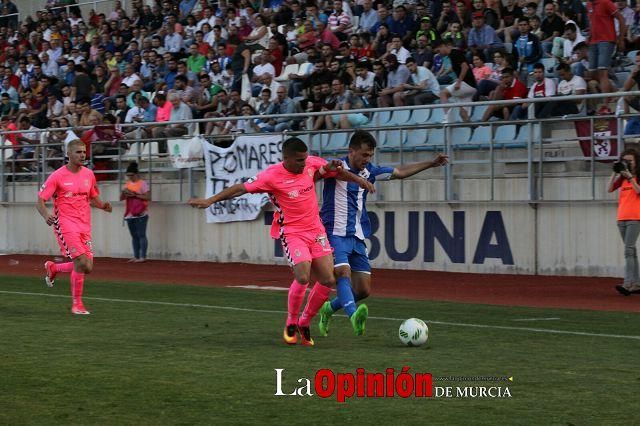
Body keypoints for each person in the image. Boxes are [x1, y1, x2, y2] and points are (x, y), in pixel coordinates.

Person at [188, 138, 375, 346]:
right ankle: (291, 322)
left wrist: (358, 180)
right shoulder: (271, 176)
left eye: (305, 159)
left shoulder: (311, 163)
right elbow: (241, 188)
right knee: (303, 275)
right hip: (292, 232)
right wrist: (210, 201)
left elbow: (335, 172)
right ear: (285, 158)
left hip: (316, 230)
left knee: (329, 280)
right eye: (298, 161)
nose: (304, 164)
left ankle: (305, 322)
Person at [318, 131, 448, 337]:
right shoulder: (336, 167)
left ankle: (328, 309)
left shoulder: (370, 171)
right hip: (333, 233)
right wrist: (358, 180)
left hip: (357, 236)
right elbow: (329, 173)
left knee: (363, 291)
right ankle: (353, 316)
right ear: (351, 151)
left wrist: (431, 164)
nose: (367, 159)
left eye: (370, 155)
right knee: (342, 273)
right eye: (364, 155)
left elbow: (399, 172)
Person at [37, 139, 113, 315]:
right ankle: (77, 304)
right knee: (80, 261)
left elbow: (93, 197)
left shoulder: (88, 174)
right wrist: (46, 215)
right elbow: (40, 200)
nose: (82, 155)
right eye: (78, 152)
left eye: (84, 152)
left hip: (84, 225)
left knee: (87, 267)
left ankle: (54, 268)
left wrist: (103, 206)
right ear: (68, 154)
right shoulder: (57, 176)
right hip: (65, 223)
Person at [608, 148, 640, 295]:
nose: (627, 163)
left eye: (630, 161)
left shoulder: (636, 176)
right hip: (622, 217)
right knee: (631, 251)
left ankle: (628, 284)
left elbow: (638, 191)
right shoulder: (622, 178)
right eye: (625, 161)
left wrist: (630, 177)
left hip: (635, 217)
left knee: (628, 250)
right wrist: (615, 172)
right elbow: (609, 188)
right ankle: (636, 284)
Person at [121, 162, 151, 263]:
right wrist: (124, 193)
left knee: (141, 234)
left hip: (141, 213)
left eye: (131, 175)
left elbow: (147, 197)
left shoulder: (142, 183)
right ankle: (136, 256)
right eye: (128, 175)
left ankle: (143, 256)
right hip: (130, 213)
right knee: (134, 236)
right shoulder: (127, 184)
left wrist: (134, 195)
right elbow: (121, 198)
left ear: (136, 174)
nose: (130, 177)